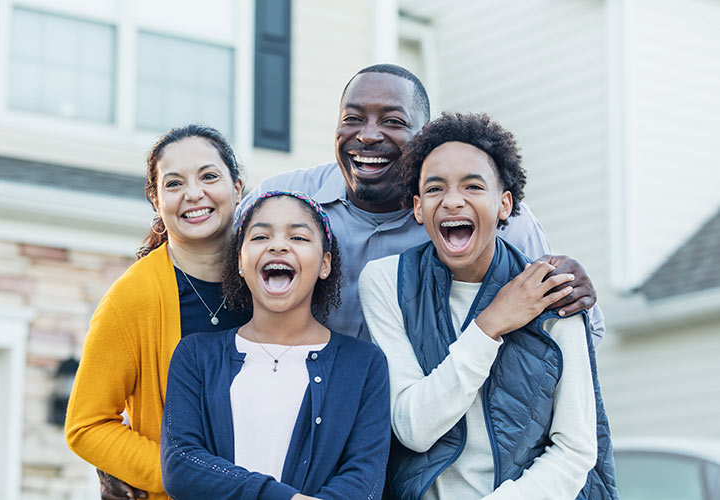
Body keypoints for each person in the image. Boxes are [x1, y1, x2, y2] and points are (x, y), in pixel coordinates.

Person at [241, 64, 605, 344]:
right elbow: (216, 272)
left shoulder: (492, 219)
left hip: (434, 428)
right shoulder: (280, 202)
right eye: (352, 119)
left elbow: (579, 331)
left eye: (393, 121)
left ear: (424, 136)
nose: (367, 135)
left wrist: (573, 291)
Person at [358, 112, 617, 499]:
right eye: (434, 189)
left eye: (473, 187)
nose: (452, 201)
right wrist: (489, 325)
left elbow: (575, 450)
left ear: (504, 204)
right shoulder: (384, 282)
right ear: (417, 207)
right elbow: (412, 427)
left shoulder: (554, 292)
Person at [161, 191, 391, 499]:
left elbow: (365, 480)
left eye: (298, 237)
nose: (278, 245)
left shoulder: (364, 364)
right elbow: (181, 464)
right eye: (260, 237)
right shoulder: (195, 355)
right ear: (240, 263)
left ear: (324, 265)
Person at [65, 125, 250, 500]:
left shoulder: (272, 277)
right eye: (174, 183)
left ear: (237, 187)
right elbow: (86, 424)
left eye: (209, 176)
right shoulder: (132, 298)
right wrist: (178, 475)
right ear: (155, 200)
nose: (194, 194)